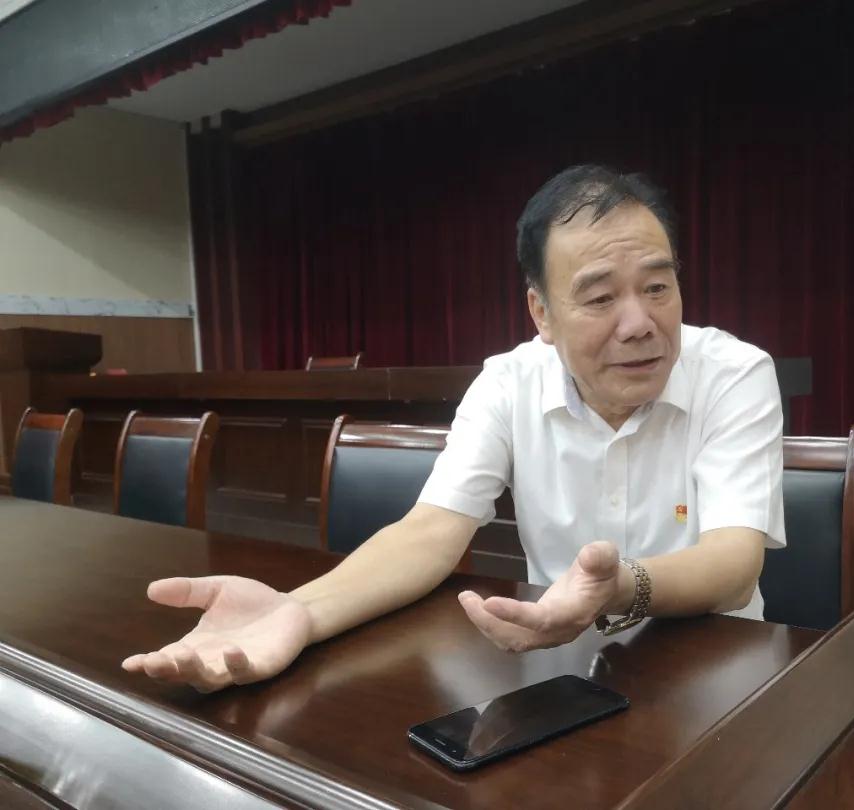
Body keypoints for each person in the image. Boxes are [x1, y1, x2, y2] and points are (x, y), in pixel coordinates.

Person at [121, 165, 785, 693]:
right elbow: (429, 533)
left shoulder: (734, 372)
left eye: (658, 288)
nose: (639, 323)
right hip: (566, 668)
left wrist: (619, 589)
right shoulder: (507, 383)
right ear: (542, 313)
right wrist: (297, 611)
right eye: (601, 297)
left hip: (719, 666)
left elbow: (734, 565)